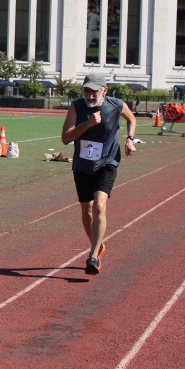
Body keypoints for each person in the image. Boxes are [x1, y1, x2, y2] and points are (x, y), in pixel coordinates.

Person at [61, 73, 137, 276]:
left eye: (94, 91)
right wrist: (87, 124)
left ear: (105, 91)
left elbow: (131, 119)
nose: (90, 95)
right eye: (87, 90)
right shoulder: (77, 107)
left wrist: (130, 139)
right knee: (87, 211)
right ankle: (98, 245)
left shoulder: (116, 105)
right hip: (82, 165)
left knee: (100, 206)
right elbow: (65, 138)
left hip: (107, 163)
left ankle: (93, 256)